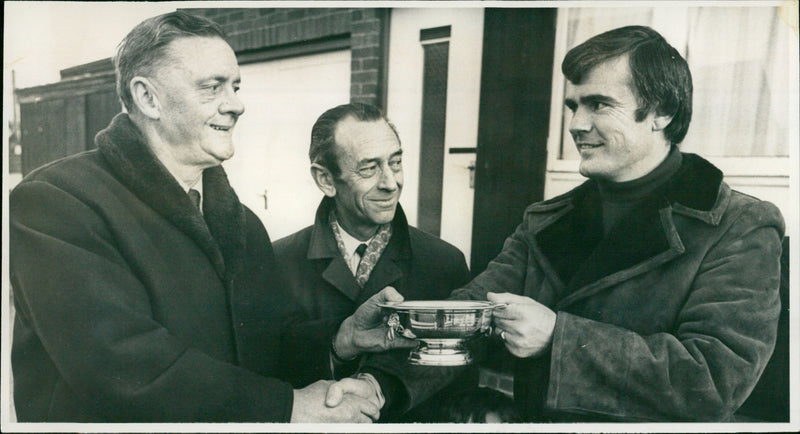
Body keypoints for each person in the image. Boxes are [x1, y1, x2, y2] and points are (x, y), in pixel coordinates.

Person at [9, 11, 380, 423]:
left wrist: (337, 341)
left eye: (236, 86)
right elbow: (120, 364)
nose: (237, 104)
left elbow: (266, 341)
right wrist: (286, 407)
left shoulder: (241, 222)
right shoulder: (56, 202)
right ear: (149, 98)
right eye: (213, 87)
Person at [439, 25, 784, 422]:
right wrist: (392, 331)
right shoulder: (545, 221)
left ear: (662, 113)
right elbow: (472, 308)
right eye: (573, 106)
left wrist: (558, 338)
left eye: (598, 104)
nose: (576, 125)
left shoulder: (739, 225)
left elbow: (713, 381)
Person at [273, 103, 476, 421]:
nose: (391, 182)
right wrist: (337, 345)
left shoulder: (444, 263)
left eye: (396, 163)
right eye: (369, 168)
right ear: (326, 179)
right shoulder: (277, 262)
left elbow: (461, 384)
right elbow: (264, 372)